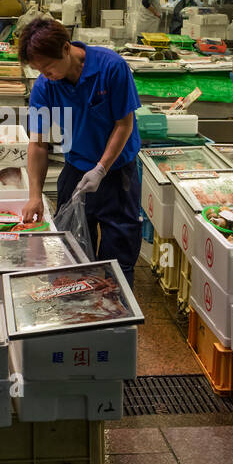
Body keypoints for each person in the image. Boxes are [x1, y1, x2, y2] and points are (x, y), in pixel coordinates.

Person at [19, 18, 143, 287]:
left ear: (66, 49)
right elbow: (38, 144)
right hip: (75, 171)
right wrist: (34, 196)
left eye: (48, 67)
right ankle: (79, 321)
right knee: (71, 256)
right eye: (39, 69)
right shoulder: (45, 86)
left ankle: (117, 323)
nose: (45, 75)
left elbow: (124, 124)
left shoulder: (112, 67)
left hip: (117, 174)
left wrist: (101, 168)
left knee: (117, 260)